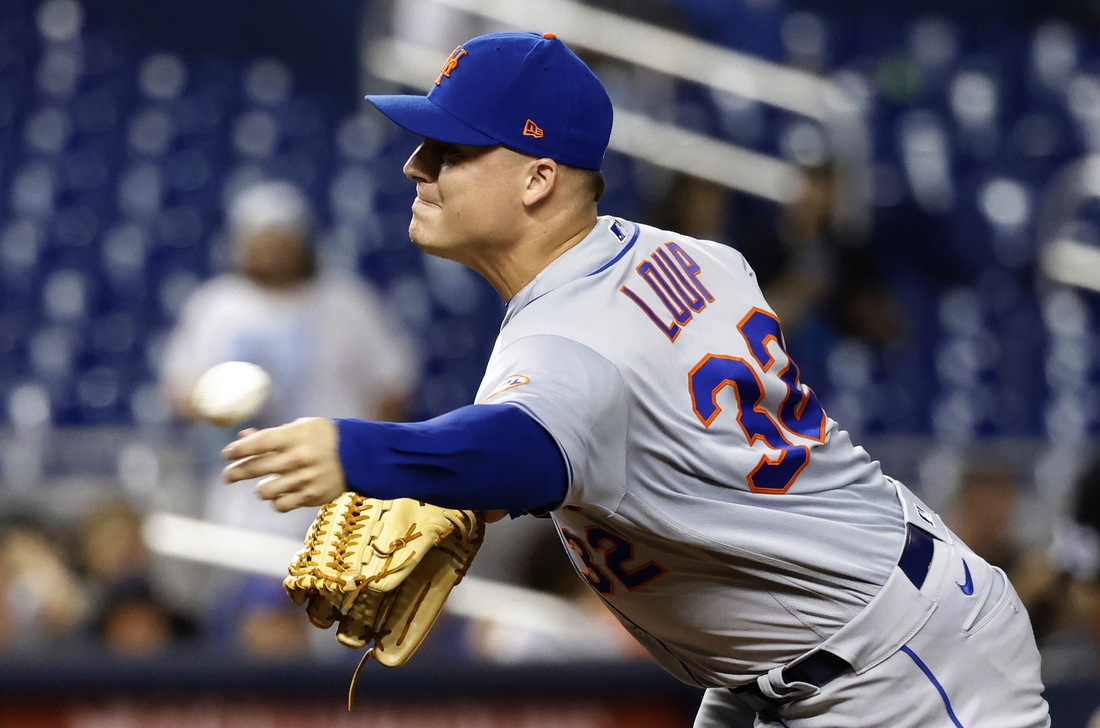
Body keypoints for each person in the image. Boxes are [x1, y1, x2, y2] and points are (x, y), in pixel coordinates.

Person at [221, 32, 1049, 727]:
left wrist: (359, 450)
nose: (414, 165)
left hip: (896, 671)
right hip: (801, 658)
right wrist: (471, 483)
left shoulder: (572, 337)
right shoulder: (687, 257)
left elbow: (530, 442)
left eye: (451, 148)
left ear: (539, 177)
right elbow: (614, 427)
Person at [161, 179, 418, 537]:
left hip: (339, 496)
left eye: (282, 237)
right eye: (259, 238)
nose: (271, 249)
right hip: (244, 499)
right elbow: (179, 391)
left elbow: (394, 385)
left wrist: (365, 459)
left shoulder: (346, 302)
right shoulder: (216, 305)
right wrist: (213, 404)